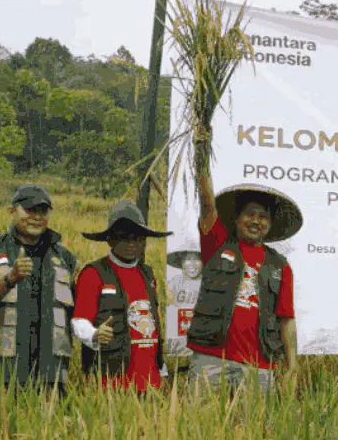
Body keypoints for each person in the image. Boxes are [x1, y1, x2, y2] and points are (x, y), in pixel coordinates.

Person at [189, 154, 300, 392]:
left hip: (259, 367)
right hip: (211, 360)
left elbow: (286, 319)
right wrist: (201, 155)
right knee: (199, 426)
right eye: (250, 214)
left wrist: (292, 367)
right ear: (237, 219)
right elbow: (207, 203)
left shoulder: (280, 266)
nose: (255, 221)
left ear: (269, 225)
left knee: (254, 428)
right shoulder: (218, 245)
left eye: (263, 217)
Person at [0, 184, 79, 392]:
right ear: (12, 211)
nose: (36, 217)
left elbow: (79, 315)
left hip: (49, 380)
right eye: (29, 210)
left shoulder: (66, 259)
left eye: (42, 211)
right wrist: (9, 279)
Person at [73, 200, 169, 392]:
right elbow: (78, 321)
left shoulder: (148, 275)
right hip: (112, 386)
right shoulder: (93, 274)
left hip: (151, 384)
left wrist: (163, 371)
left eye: (138, 238)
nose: (132, 244)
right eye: (124, 237)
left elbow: (153, 326)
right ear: (110, 240)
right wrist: (94, 334)